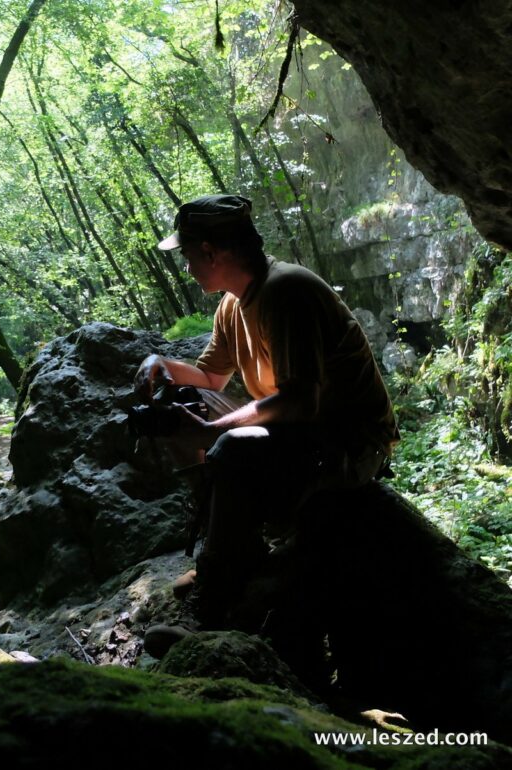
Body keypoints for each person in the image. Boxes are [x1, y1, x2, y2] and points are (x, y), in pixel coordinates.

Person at [136, 194, 400, 657]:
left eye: (188, 256)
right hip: (301, 434)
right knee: (181, 408)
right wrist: (165, 365)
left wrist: (214, 433)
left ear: (212, 253)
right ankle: (231, 550)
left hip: (349, 441)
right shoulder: (232, 305)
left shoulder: (287, 291)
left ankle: (212, 607)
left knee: (231, 447)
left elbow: (300, 400)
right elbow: (212, 379)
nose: (188, 267)